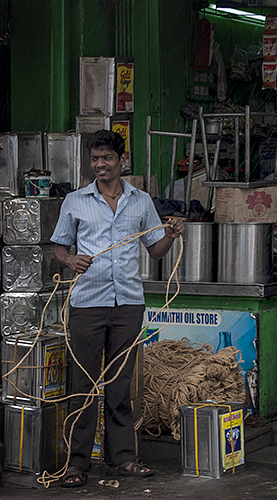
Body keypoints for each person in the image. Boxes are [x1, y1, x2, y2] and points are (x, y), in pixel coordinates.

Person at [51, 130, 184, 487]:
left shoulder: (141, 202)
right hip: (87, 304)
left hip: (127, 303)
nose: (100, 165)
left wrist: (171, 234)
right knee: (83, 385)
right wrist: (70, 259)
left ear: (121, 160)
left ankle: (122, 459)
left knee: (119, 385)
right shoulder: (75, 201)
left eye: (106, 158)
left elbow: (156, 251)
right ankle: (77, 462)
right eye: (94, 159)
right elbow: (59, 249)